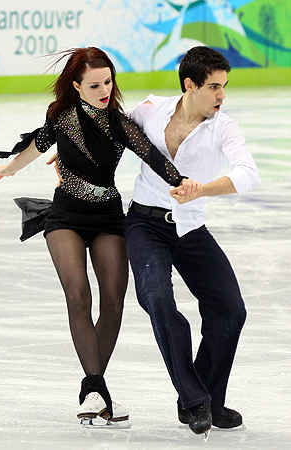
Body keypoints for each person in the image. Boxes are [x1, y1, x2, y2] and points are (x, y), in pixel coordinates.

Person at [0, 47, 196, 426]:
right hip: (65, 216)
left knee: (114, 301)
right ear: (76, 86)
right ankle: (94, 387)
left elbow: (151, 154)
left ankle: (95, 388)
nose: (104, 90)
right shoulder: (61, 117)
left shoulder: (119, 123)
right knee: (78, 296)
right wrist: (9, 167)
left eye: (108, 82)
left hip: (106, 217)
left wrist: (179, 181)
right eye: (94, 84)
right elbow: (36, 146)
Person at [123, 46, 260, 436]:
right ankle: (195, 400)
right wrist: (70, 158)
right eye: (214, 86)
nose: (222, 95)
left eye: (224, 86)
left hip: (190, 227)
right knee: (158, 300)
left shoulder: (224, 127)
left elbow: (248, 174)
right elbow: (109, 128)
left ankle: (207, 398)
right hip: (145, 224)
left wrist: (202, 191)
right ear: (190, 84)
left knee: (230, 310)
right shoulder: (151, 109)